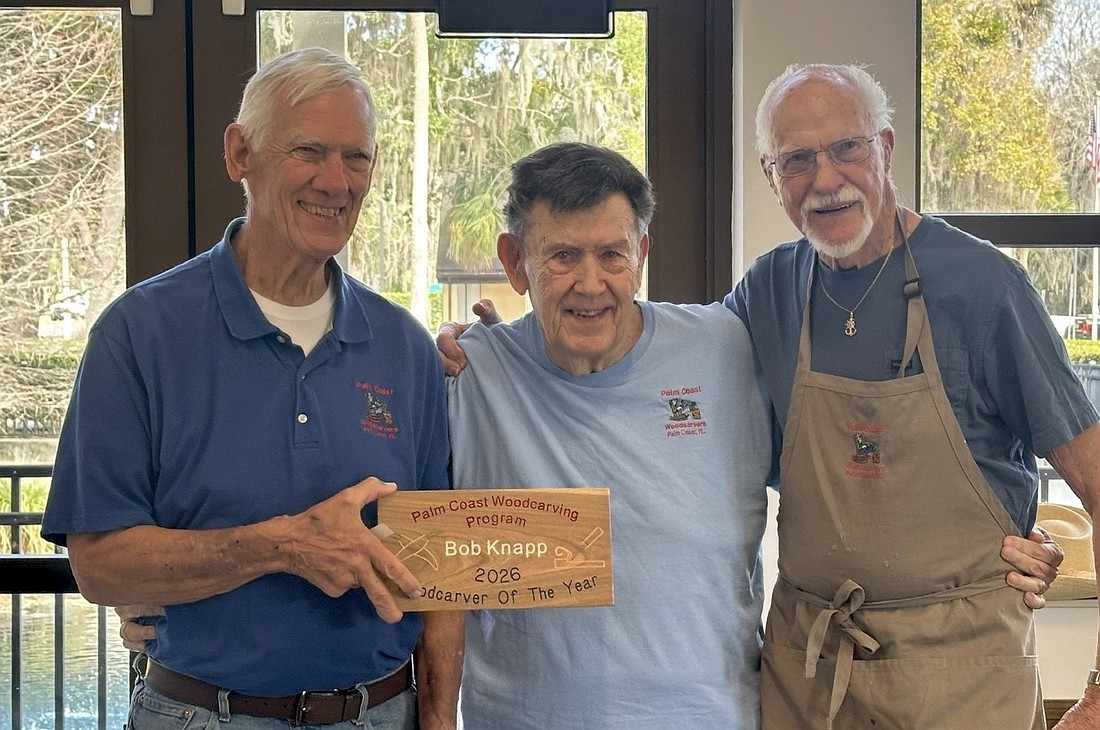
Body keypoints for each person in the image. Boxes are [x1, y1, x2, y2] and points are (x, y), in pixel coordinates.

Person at [429, 142, 1058, 729]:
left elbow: (856, 466)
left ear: (642, 256)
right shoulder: (468, 376)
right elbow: (415, 549)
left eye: (612, 255)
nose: (591, 283)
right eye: (562, 256)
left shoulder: (725, 346)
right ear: (515, 263)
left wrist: (988, 544)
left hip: (713, 716)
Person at [41, 47, 458, 730]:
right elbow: (100, 569)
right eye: (308, 151)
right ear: (240, 154)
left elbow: (441, 569)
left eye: (357, 158)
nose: (336, 181)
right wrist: (285, 545)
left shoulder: (404, 346)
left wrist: (438, 721)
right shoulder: (139, 333)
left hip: (386, 712)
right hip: (200, 715)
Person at [724, 63, 1100, 729]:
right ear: (769, 175)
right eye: (798, 159)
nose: (826, 179)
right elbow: (651, 369)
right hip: (805, 678)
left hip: (960, 681)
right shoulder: (767, 293)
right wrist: (491, 353)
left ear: (886, 148)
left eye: (847, 147)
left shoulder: (986, 287)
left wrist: (1099, 698)